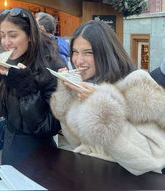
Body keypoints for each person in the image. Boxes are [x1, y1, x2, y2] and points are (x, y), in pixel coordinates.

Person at [50, 20, 165, 175]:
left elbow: (153, 157)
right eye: (75, 52)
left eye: (88, 52)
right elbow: (76, 142)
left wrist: (102, 111)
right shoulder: (87, 86)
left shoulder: (137, 83)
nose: (78, 60)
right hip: (91, 177)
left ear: (106, 52)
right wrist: (68, 96)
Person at [0, 8, 65, 166]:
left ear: (30, 36)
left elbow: (49, 127)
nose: (6, 42)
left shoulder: (53, 66)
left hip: (38, 153)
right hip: (10, 147)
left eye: (13, 35)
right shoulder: (10, 61)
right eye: (2, 35)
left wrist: (26, 87)